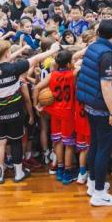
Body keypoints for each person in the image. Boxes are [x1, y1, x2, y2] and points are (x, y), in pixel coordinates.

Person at [0, 40, 59, 185]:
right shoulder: (15, 68)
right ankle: (19, 172)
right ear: (7, 53)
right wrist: (52, 50)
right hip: (14, 112)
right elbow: (35, 58)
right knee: (16, 142)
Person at [76, 19, 112, 206]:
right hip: (102, 107)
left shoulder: (94, 46)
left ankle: (93, 182)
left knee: (95, 145)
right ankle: (99, 193)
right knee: (103, 150)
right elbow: (106, 84)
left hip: (90, 104)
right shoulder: (106, 55)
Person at [35, 50, 79, 185]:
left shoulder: (52, 75)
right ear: (68, 63)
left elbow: (36, 87)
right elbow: (80, 64)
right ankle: (67, 171)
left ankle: (59, 168)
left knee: (58, 142)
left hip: (55, 113)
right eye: (71, 61)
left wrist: (36, 105)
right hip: (68, 113)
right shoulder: (73, 74)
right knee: (69, 144)